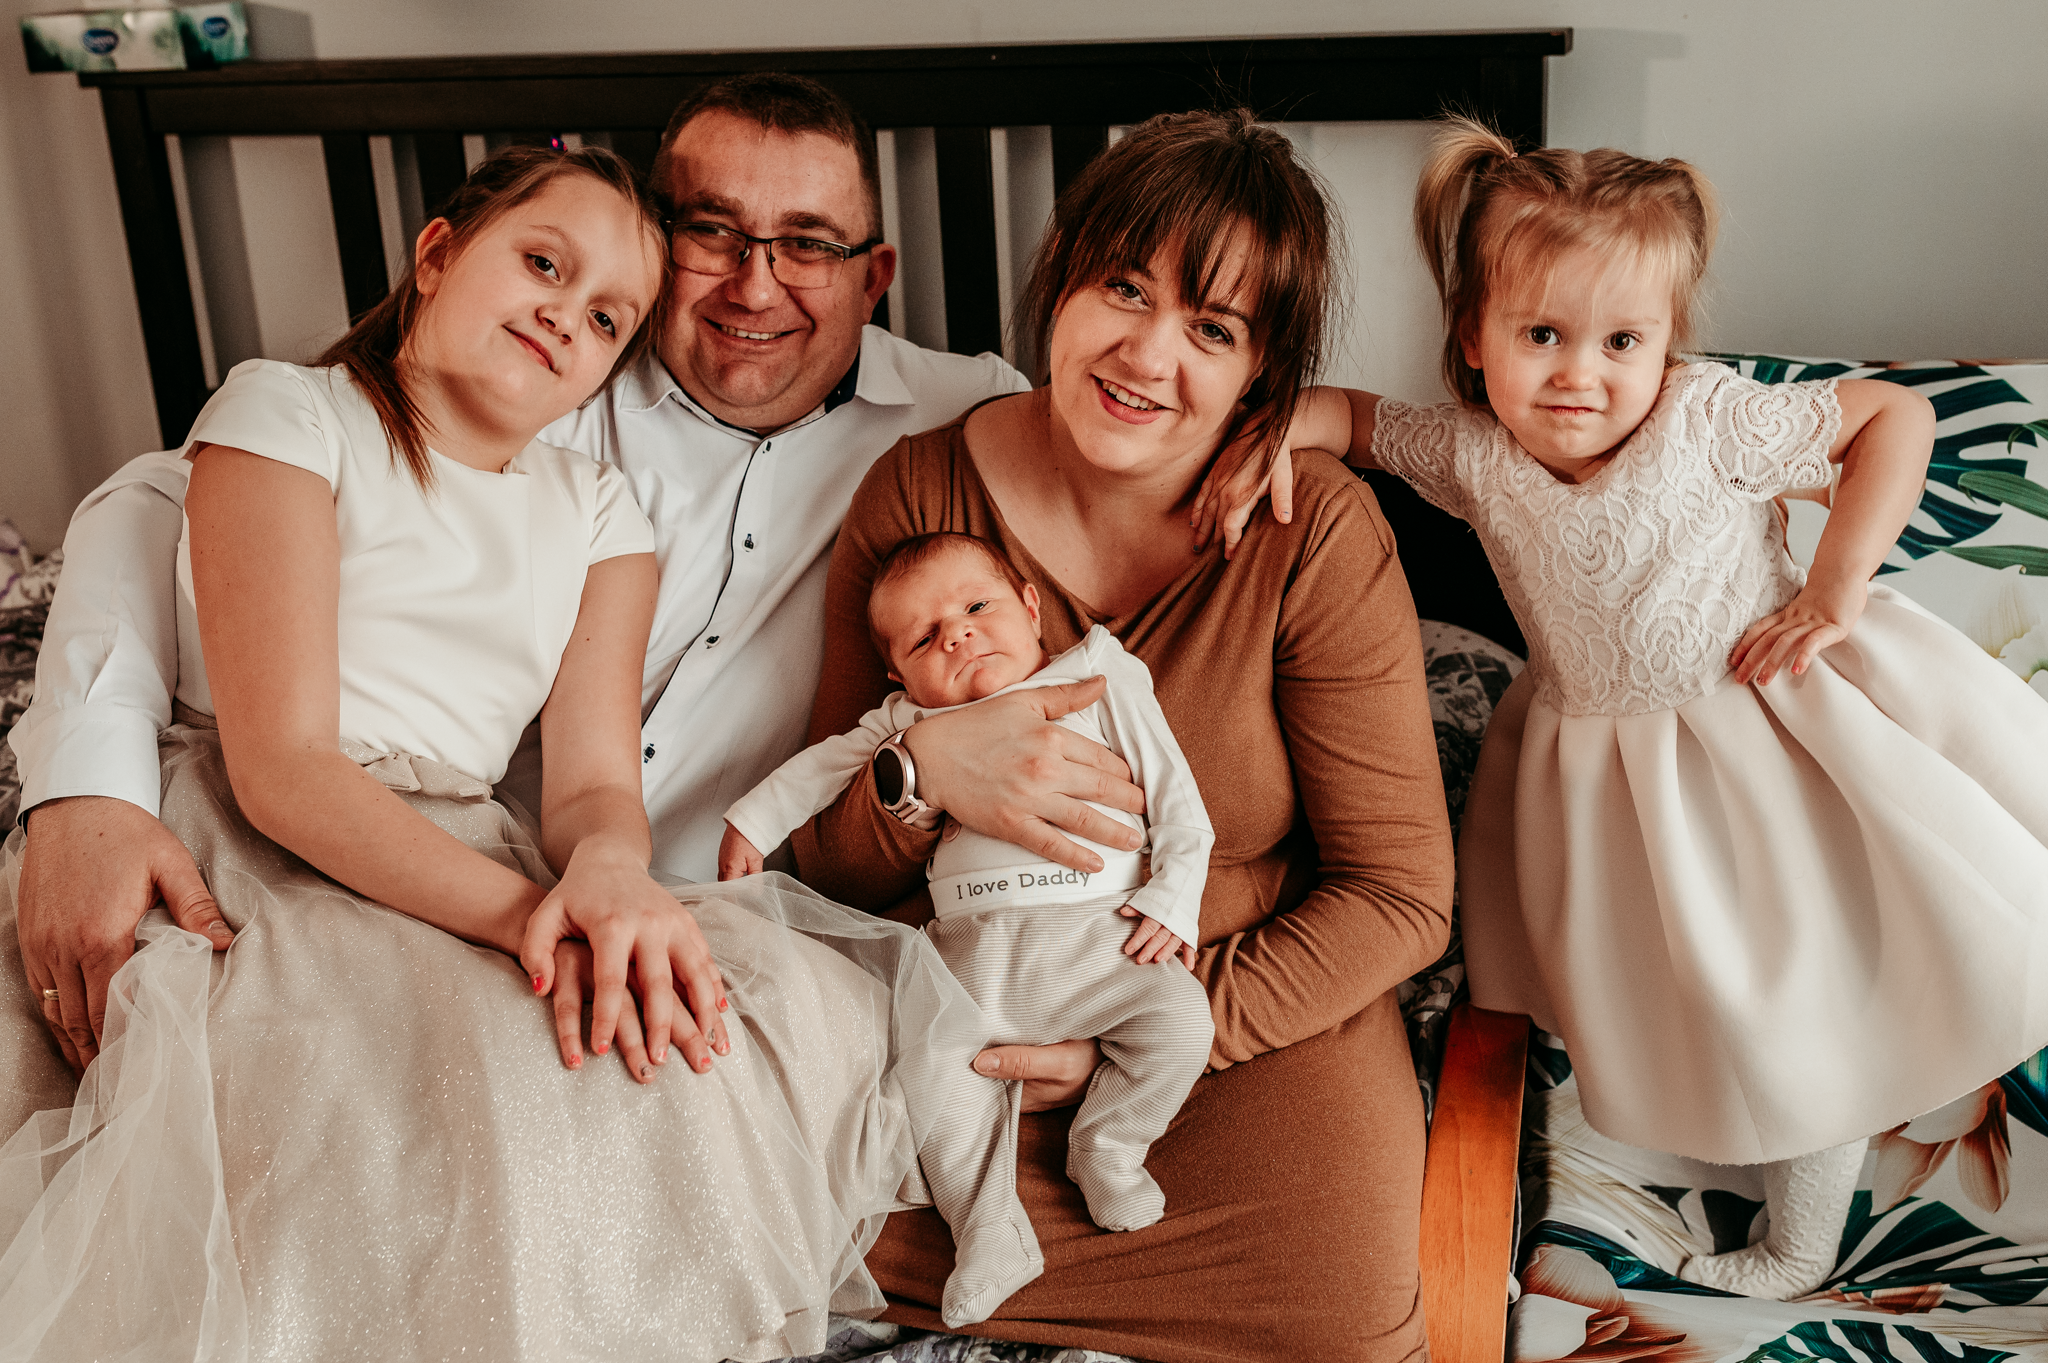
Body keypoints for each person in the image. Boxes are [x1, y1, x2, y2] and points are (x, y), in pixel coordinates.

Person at [0, 144, 990, 1363]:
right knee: (364, 1093)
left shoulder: (597, 511)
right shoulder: (289, 412)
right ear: (436, 255)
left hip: (468, 834)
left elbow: (590, 781)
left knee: (748, 1018)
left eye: (608, 317)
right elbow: (284, 765)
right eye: (542, 265)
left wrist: (609, 873)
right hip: (267, 840)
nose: (565, 317)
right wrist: (531, 918)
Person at [14, 73, 1170, 1090]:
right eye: (711, 232)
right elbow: (150, 505)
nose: (755, 286)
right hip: (461, 878)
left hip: (712, 910)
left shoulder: (972, 421)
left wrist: (1289, 429)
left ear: (874, 277)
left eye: (808, 244)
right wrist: (84, 783)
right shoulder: (533, 382)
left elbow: (1167, 450)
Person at [1206, 116, 2048, 1300]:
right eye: (1539, 334)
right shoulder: (1472, 454)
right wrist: (1267, 432)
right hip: (1618, 783)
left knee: (1797, 987)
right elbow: (1350, 419)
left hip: (1766, 732)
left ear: (1665, 343)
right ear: (1472, 338)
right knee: (1698, 992)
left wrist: (1834, 583)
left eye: (1620, 341)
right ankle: (1724, 1162)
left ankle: (1800, 1242)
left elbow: (1889, 421)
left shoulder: (1705, 418)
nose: (1577, 373)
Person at [795, 109, 1454, 1362]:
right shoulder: (920, 494)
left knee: (1338, 1311)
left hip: (1231, 1033)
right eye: (1124, 288)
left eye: (1212, 328)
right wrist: (918, 776)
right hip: (969, 1035)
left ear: (1261, 370)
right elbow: (824, 874)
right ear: (1060, 280)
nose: (1148, 355)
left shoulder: (1312, 530)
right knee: (759, 1219)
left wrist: (1141, 1032)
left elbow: (1401, 894)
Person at [721, 530, 1214, 1327]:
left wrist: (1175, 894)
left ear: (1030, 606)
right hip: (968, 959)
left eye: (977, 607)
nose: (956, 634)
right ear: (898, 673)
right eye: (924, 638)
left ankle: (1110, 1144)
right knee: (929, 1076)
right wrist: (751, 822)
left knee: (1184, 1020)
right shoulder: (908, 721)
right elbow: (824, 766)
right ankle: (989, 1230)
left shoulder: (1094, 673)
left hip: (1102, 938)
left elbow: (1176, 793)